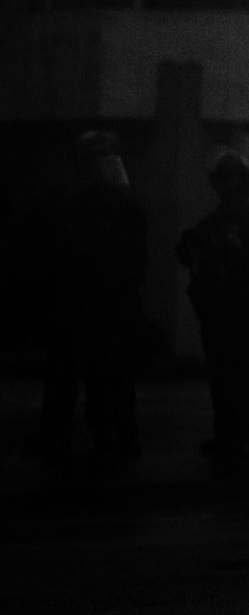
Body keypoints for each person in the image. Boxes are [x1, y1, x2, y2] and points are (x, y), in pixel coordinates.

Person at [32, 131, 149, 477]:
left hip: (92, 305)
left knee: (92, 380)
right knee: (95, 380)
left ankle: (104, 441)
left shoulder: (91, 204)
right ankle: (110, 441)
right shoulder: (113, 204)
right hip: (94, 305)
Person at [176, 151, 249, 479]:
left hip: (248, 315)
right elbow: (191, 254)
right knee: (228, 378)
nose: (229, 186)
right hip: (226, 315)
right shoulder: (220, 224)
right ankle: (235, 436)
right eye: (226, 179)